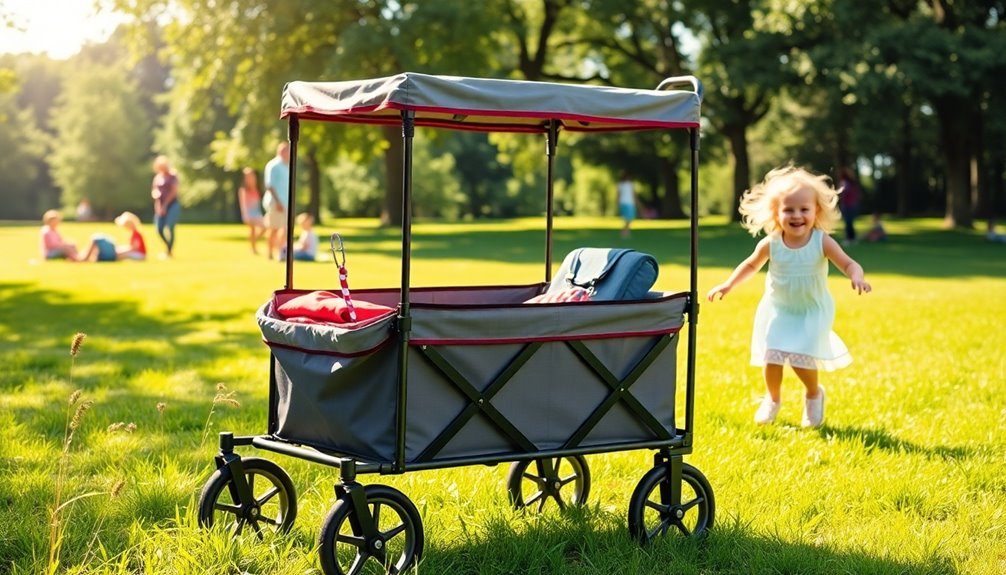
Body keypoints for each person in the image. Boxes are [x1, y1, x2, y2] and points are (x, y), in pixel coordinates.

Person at [706, 165, 872, 428]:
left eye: (804, 209)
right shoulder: (771, 243)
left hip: (811, 310)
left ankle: (814, 394)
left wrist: (857, 277)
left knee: (800, 357)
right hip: (779, 308)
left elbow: (850, 264)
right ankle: (772, 399)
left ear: (816, 211)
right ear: (776, 213)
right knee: (772, 356)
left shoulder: (822, 241)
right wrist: (728, 285)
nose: (797, 216)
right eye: (789, 210)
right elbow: (750, 265)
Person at [262, 142, 291, 260]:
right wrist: (278, 201)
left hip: (285, 202)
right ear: (281, 151)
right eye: (287, 150)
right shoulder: (273, 165)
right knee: (273, 229)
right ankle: (270, 252)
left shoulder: (286, 166)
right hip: (275, 203)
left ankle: (280, 252)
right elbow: (270, 185)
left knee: (284, 229)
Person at [151, 155, 181, 258]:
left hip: (172, 204)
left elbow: (173, 192)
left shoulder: (173, 176)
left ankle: (169, 251)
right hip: (160, 204)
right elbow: (154, 191)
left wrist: (165, 205)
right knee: (159, 228)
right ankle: (168, 248)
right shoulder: (158, 177)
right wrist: (159, 206)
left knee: (170, 226)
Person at [238, 167, 265, 254]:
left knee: (263, 227)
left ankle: (253, 242)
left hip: (257, 211)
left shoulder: (256, 188)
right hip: (249, 212)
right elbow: (243, 203)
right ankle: (253, 248)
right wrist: (245, 215)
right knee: (253, 230)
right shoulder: (243, 189)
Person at [837, 167, 861, 245]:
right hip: (851, 205)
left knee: (848, 222)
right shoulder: (851, 183)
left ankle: (849, 239)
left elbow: (842, 192)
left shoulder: (845, 183)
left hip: (848, 205)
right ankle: (852, 238)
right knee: (849, 222)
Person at [617, 171, 638, 239]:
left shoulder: (630, 184)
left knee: (629, 218)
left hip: (629, 202)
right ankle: (625, 231)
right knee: (628, 218)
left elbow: (633, 194)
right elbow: (618, 195)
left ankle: (625, 231)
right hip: (625, 203)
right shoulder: (621, 185)